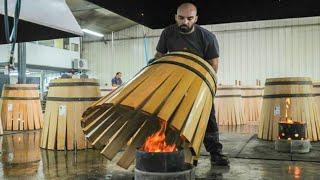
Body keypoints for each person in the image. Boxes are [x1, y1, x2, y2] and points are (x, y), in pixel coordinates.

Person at [155, 3, 229, 166]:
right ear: (176, 17)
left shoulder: (207, 37)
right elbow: (159, 56)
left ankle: (215, 153)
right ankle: (178, 151)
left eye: (189, 18)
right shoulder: (168, 33)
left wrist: (205, 87)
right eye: (181, 18)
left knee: (208, 118)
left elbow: (213, 65)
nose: (185, 22)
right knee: (173, 117)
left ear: (195, 19)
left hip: (198, 84)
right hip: (174, 84)